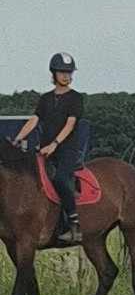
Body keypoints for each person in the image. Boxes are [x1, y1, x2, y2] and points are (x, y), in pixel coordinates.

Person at [14, 55, 84, 245]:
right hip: (45, 151)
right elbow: (35, 120)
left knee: (60, 179)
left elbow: (70, 124)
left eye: (69, 72)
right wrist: (18, 137)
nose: (66, 76)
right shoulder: (45, 99)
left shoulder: (75, 98)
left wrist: (54, 143)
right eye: (62, 72)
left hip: (66, 151)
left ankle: (74, 224)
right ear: (54, 73)